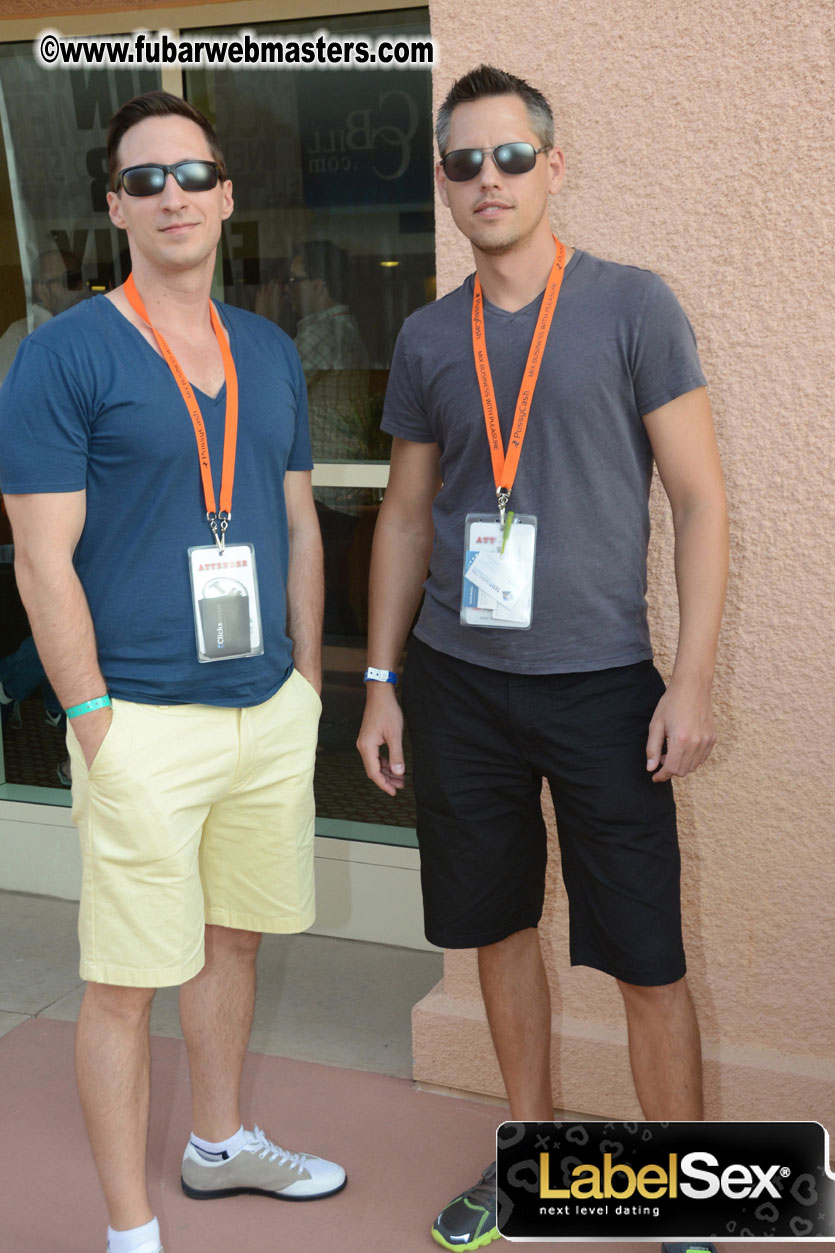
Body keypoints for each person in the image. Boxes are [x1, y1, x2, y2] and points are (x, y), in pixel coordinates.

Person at [357, 65, 728, 1251]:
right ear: (445, 185)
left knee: (646, 951)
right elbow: (409, 516)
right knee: (498, 929)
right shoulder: (425, 333)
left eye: (509, 156)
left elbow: (700, 500)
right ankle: (530, 1164)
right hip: (457, 684)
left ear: (553, 166)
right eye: (462, 162)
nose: (486, 179)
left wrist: (693, 677)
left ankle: (674, 1193)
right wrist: (379, 681)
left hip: (605, 682)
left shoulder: (630, 304)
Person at [0, 91, 344, 1253]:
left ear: (225, 192)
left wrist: (300, 679)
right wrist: (95, 719)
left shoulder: (268, 349)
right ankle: (130, 1229)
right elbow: (43, 560)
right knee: (123, 979)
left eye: (190, 174)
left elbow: (298, 522)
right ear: (114, 206)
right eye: (144, 180)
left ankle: (218, 1141)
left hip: (263, 708)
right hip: (139, 718)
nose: (172, 196)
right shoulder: (61, 355)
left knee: (235, 935)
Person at [0, 246, 86, 382]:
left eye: (82, 278)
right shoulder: (19, 337)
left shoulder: (91, 326)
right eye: (70, 280)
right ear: (41, 289)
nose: (81, 288)